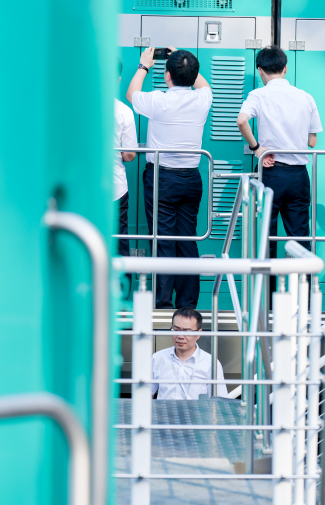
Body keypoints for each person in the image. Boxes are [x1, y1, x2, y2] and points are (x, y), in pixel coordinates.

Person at [127, 47, 211, 309]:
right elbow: (203, 84)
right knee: (187, 240)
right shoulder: (203, 99)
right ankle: (187, 305)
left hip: (162, 180)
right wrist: (183, 59)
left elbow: (131, 94)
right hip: (191, 180)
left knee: (163, 239)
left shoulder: (158, 101)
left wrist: (144, 66)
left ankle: (163, 304)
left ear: (167, 76)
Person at [236, 46, 321, 271]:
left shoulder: (258, 95)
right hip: (298, 175)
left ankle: (267, 291)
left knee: (266, 238)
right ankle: (304, 290)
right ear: (285, 68)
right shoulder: (306, 97)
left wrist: (257, 148)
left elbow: (242, 121)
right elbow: (312, 142)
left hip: (271, 172)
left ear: (260, 70)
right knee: (300, 239)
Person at [151, 308, 228, 400]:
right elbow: (146, 394)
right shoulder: (158, 358)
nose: (180, 336)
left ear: (198, 334)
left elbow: (219, 400)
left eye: (186, 332)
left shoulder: (210, 363)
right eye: (176, 330)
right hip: (165, 409)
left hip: (198, 410)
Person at [115, 60, 137, 257]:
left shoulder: (74, 109)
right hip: (116, 187)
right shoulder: (124, 111)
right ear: (118, 79)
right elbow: (129, 155)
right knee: (119, 242)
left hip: (82, 186)